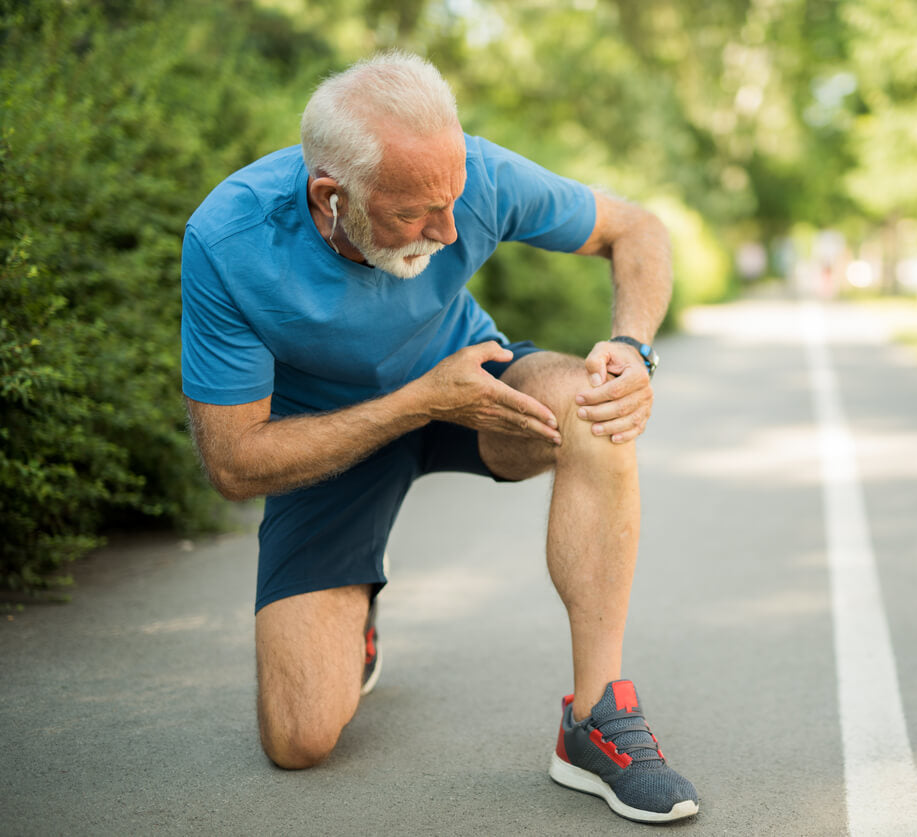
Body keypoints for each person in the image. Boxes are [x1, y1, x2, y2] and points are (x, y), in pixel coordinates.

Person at [180, 51, 699, 823]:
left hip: (477, 389)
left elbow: (638, 229)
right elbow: (232, 462)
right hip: (328, 443)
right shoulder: (230, 240)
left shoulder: (473, 178)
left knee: (598, 408)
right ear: (332, 198)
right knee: (298, 739)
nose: (449, 228)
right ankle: (355, 609)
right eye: (416, 213)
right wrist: (415, 402)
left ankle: (595, 716)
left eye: (452, 199)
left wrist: (633, 348)